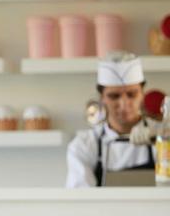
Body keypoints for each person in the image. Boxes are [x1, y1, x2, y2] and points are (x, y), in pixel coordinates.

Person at [66, 51, 156, 187]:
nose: (124, 103)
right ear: (101, 97)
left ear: (142, 94)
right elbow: (81, 202)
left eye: (131, 94)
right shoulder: (84, 145)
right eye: (114, 96)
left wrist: (159, 140)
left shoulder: (162, 138)